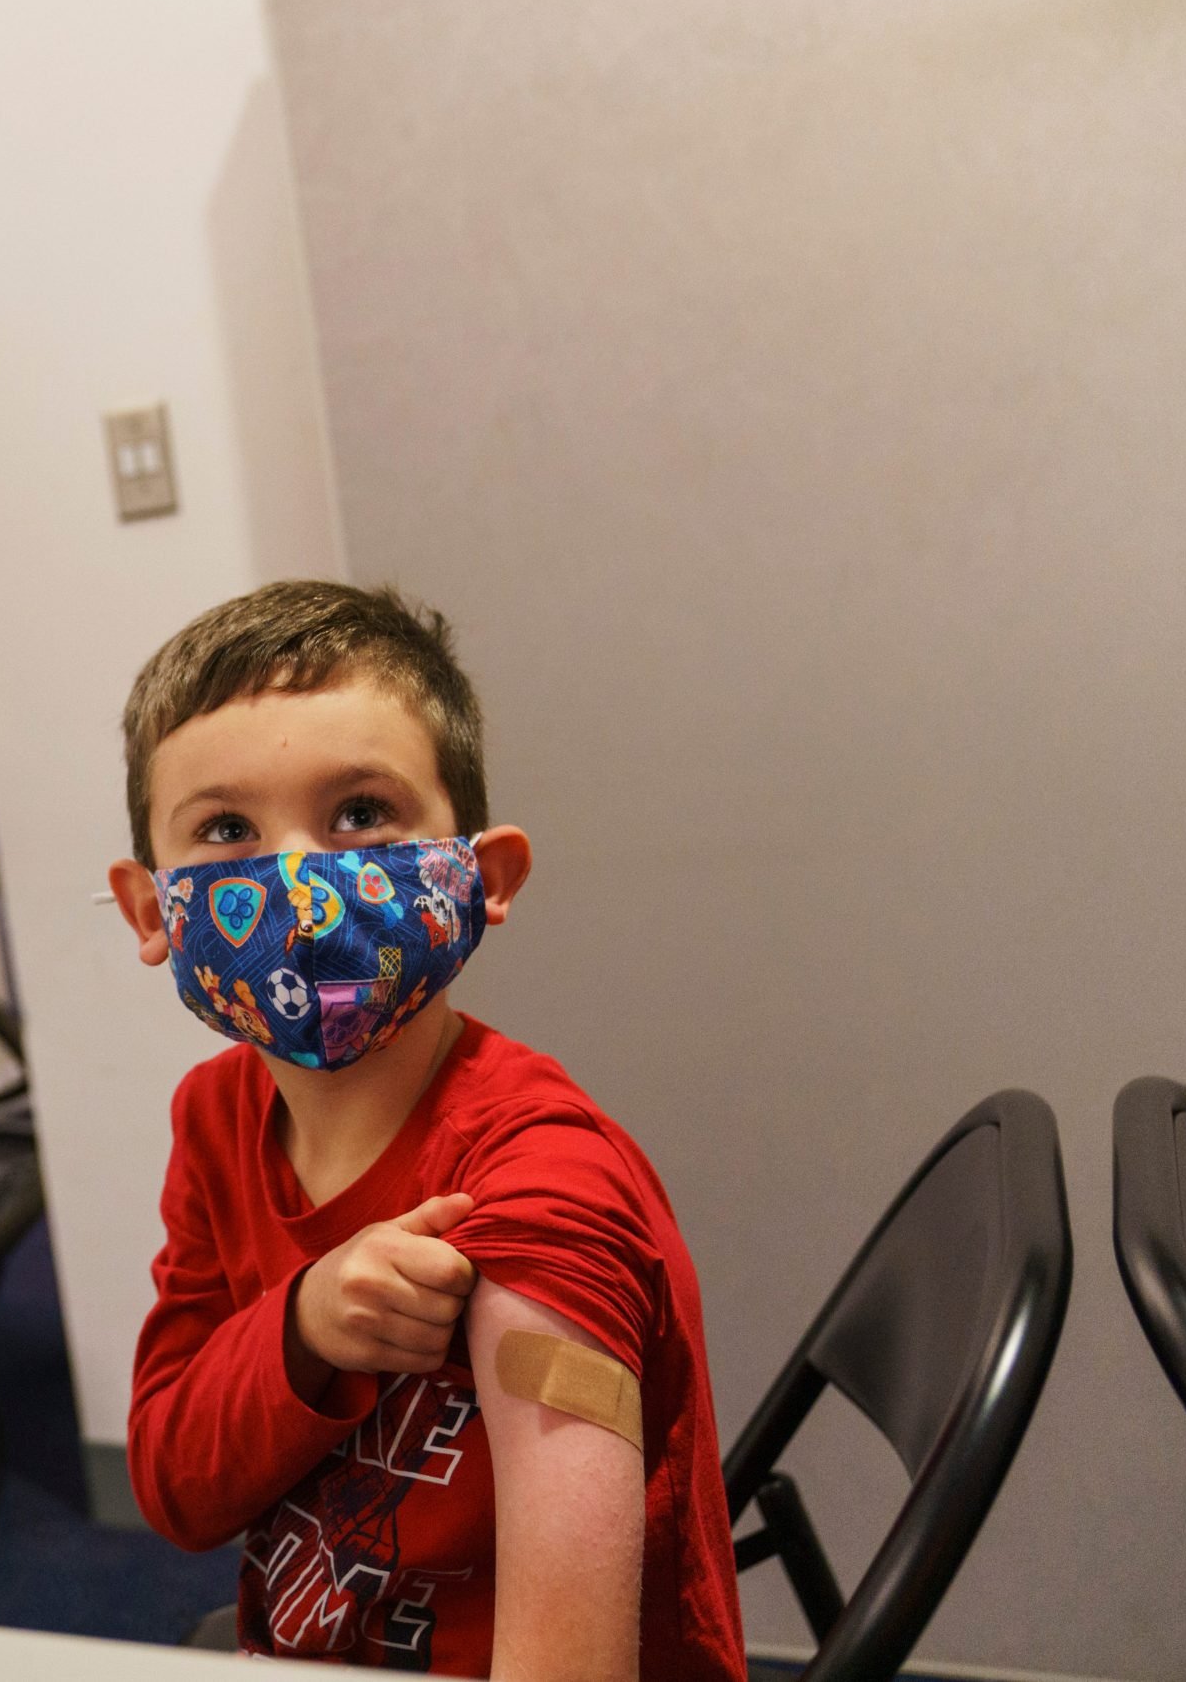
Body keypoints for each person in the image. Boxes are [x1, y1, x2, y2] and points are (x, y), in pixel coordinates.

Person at [105, 582, 745, 1678]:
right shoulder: (214, 1118)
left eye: (360, 813)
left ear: (482, 877)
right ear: (150, 910)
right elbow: (172, 1485)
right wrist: (303, 1326)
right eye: (225, 831)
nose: (299, 883)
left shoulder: (543, 1194)